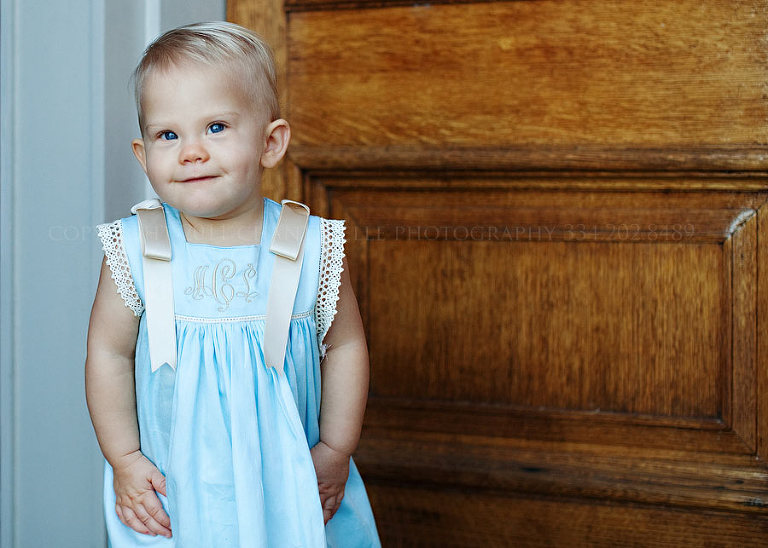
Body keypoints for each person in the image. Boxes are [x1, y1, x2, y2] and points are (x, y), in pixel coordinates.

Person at [85, 21, 380, 547]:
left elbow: (346, 345)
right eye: (168, 135)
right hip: (174, 492)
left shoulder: (310, 245)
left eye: (216, 127)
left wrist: (335, 451)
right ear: (142, 154)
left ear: (270, 143)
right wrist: (125, 459)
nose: (191, 151)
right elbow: (108, 354)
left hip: (291, 483)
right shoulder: (133, 248)